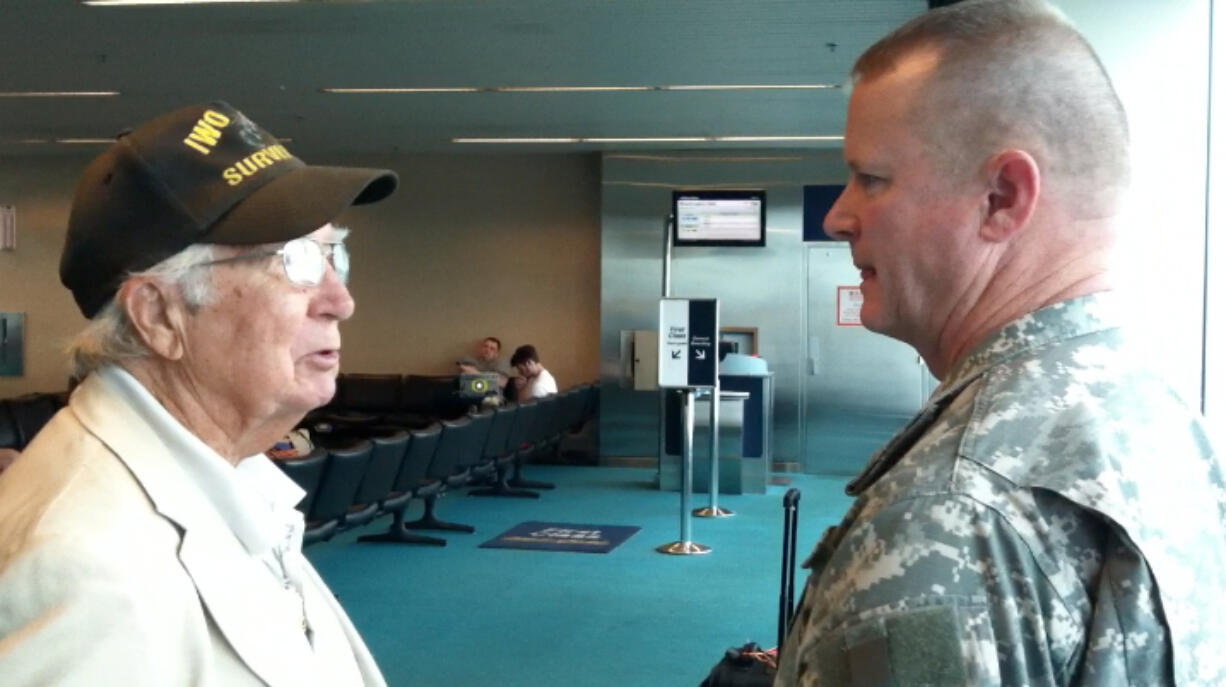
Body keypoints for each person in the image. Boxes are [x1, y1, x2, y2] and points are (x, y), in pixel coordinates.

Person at [774, 2, 1226, 685]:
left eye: (872, 178)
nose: (839, 216)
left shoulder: (948, 510)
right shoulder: (1160, 419)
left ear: (1002, 198)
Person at [0, 101, 398, 685]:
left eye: (333, 254)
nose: (341, 301)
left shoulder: (233, 482)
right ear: (160, 315)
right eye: (297, 261)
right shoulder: (85, 566)